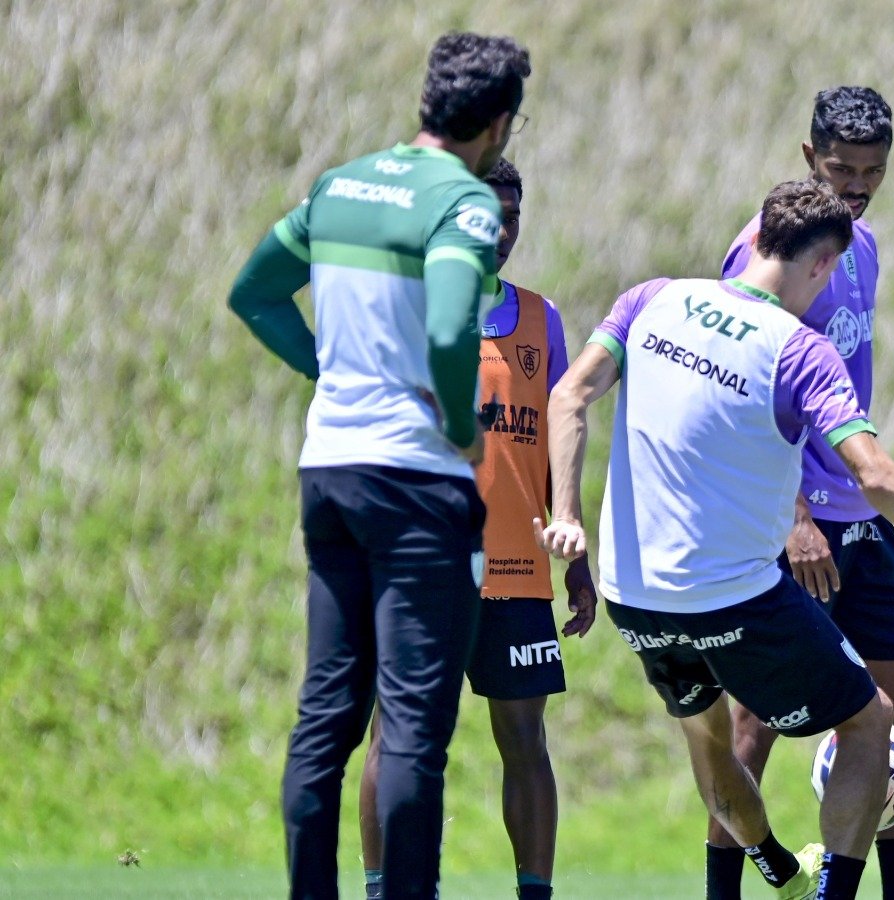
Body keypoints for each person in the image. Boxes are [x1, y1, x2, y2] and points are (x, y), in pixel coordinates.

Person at [538, 179, 894, 900]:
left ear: (753, 242)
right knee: (869, 720)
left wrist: (567, 516)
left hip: (637, 601)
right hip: (732, 600)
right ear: (822, 266)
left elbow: (568, 396)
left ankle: (776, 870)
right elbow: (872, 474)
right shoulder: (800, 349)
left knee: (714, 745)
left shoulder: (650, 299)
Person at [226, 32, 530, 900]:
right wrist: (465, 430)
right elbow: (445, 335)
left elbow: (253, 294)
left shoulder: (340, 184)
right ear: (500, 121)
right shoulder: (465, 204)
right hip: (415, 483)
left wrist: (332, 369)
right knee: (411, 730)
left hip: (329, 471)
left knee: (326, 717)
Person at [355, 158, 597, 900]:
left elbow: (560, 433)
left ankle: (534, 894)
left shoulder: (540, 317)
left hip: (517, 573)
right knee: (397, 742)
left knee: (525, 744)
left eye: (512, 216)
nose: (499, 231)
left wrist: (576, 550)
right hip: (421, 571)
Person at [712, 86, 894, 900]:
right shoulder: (758, 252)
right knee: (757, 717)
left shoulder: (862, 245)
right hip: (794, 521)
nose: (857, 184)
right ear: (809, 159)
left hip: (862, 515)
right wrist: (793, 514)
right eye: (842, 169)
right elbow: (742, 399)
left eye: (873, 170)